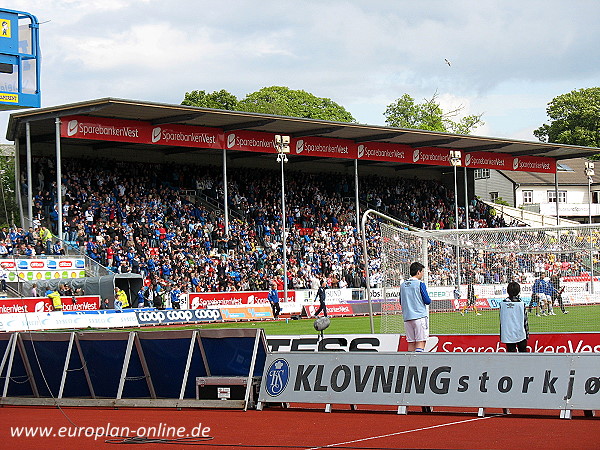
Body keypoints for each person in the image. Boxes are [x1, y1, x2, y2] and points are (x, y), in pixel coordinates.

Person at [400, 262, 431, 352]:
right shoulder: (420, 284)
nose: (422, 274)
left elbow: (401, 301)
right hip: (419, 317)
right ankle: (418, 363)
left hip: (407, 318)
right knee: (421, 341)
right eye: (422, 272)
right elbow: (427, 301)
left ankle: (411, 364)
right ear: (418, 272)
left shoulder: (403, 285)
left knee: (411, 343)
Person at [499, 281, 529, 352]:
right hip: (520, 333)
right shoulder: (521, 304)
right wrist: (527, 334)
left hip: (507, 333)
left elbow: (501, 320)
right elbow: (525, 320)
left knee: (511, 354)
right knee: (523, 353)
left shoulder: (502, 304)